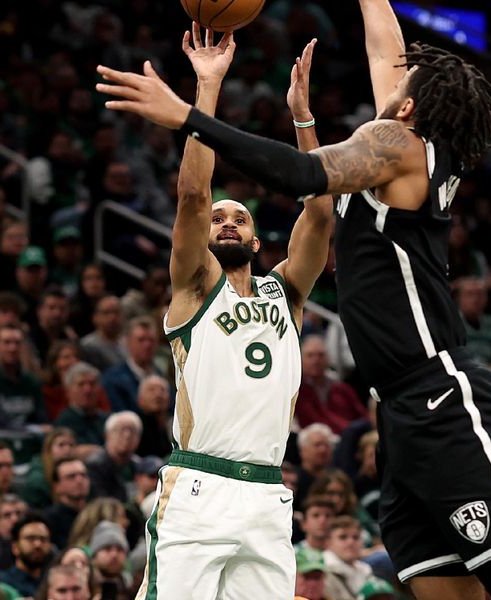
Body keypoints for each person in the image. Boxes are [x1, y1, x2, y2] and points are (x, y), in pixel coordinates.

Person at [97, 2, 491, 597]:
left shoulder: (396, 142)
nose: (394, 78)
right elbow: (385, 48)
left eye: (404, 82)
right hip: (399, 414)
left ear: (410, 106)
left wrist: (188, 115)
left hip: (438, 393)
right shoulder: (412, 152)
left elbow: (300, 178)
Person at [103, 27, 337, 600]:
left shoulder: (288, 294)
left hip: (266, 493)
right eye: (220, 219)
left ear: (258, 243)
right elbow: (193, 197)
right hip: (200, 486)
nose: (228, 222)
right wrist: (206, 90)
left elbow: (322, 217)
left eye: (242, 219)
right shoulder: (193, 285)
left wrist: (303, 120)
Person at [0, 513, 52, 597]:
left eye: (43, 539)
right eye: (31, 538)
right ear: (15, 547)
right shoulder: (3, 583)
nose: (38, 544)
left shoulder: (53, 582)